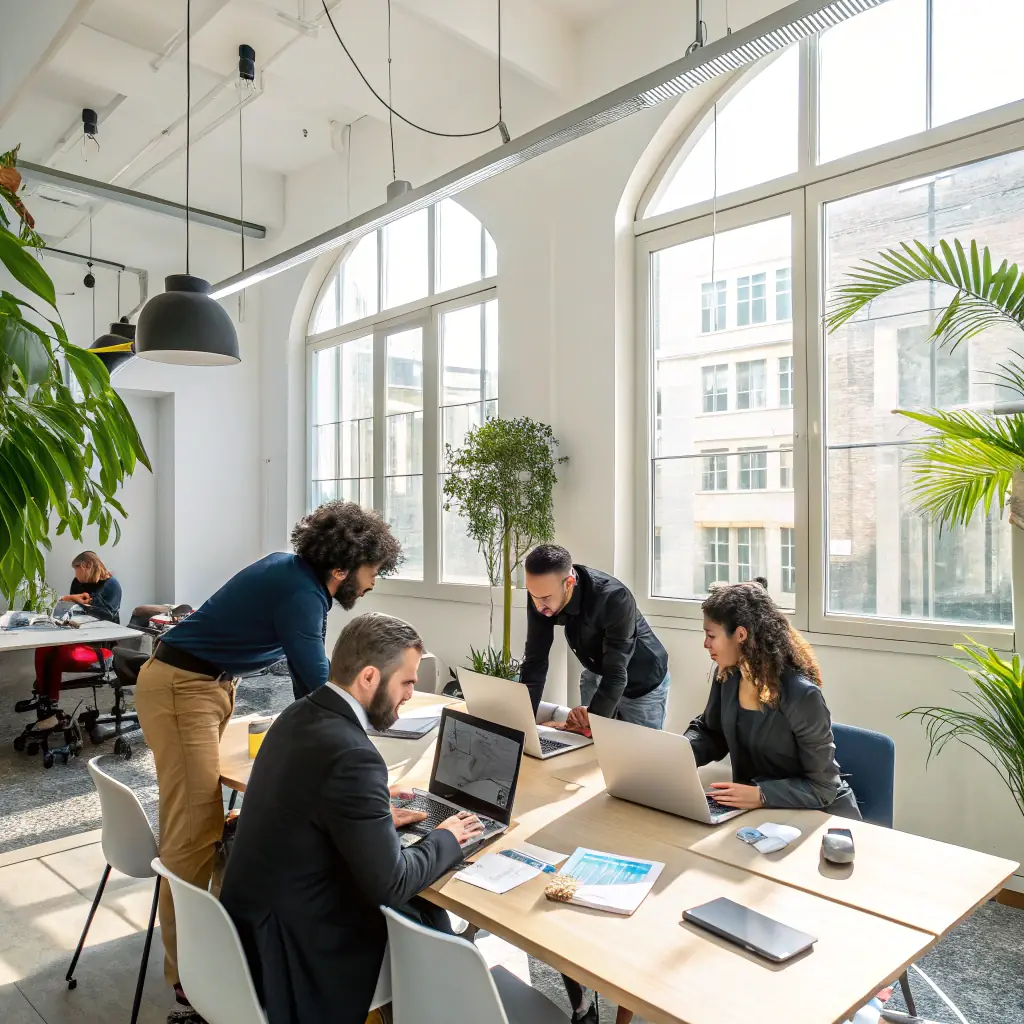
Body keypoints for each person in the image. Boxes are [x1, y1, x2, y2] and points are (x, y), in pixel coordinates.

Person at [135, 501, 402, 1008]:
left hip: (204, 686)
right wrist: (362, 774)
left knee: (213, 826)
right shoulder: (301, 593)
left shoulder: (291, 573)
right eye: (373, 572)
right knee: (193, 834)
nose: (372, 584)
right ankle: (191, 974)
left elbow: (314, 696)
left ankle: (222, 948)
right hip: (183, 689)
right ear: (342, 566)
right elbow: (318, 692)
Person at [220, 612, 483, 1024]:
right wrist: (447, 836)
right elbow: (391, 883)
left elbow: (311, 801)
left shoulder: (299, 714)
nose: (412, 693)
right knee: (424, 918)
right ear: (368, 677)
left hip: (248, 929)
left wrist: (372, 809)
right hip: (298, 952)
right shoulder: (354, 756)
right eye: (408, 682)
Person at [685, 578, 861, 818]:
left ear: (740, 634)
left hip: (818, 816)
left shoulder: (802, 695)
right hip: (759, 813)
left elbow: (824, 788)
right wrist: (678, 755)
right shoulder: (728, 676)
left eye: (711, 635)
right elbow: (712, 731)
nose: (705, 644)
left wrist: (760, 795)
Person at [520, 544, 670, 736]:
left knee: (639, 758)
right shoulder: (541, 592)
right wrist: (523, 726)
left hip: (642, 680)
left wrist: (595, 724)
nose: (539, 606)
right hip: (598, 673)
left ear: (569, 583)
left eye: (546, 598)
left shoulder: (615, 597)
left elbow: (616, 674)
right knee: (587, 747)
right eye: (533, 596)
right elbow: (535, 661)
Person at [29, 551, 122, 729]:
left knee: (53, 653)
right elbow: (71, 608)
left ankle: (47, 703)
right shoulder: (78, 583)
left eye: (77, 570)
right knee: (44, 647)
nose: (75, 576)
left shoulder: (112, 585)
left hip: (98, 644)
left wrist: (82, 603)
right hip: (76, 636)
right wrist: (71, 599)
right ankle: (46, 703)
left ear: (87, 566)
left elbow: (107, 616)